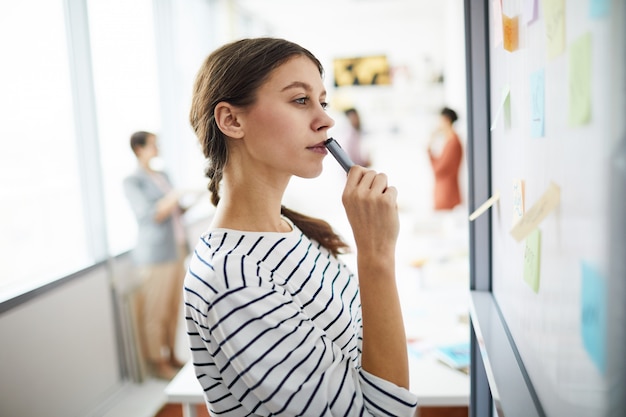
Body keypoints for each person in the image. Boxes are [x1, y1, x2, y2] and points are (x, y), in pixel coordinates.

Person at [184, 38, 418, 416]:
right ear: (231, 120)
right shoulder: (233, 280)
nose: (326, 119)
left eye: (322, 102)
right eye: (299, 100)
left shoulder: (287, 229)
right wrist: (376, 255)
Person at [123, 131, 188, 380]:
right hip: (155, 256)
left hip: (177, 249)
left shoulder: (163, 175)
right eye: (153, 144)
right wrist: (176, 196)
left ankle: (172, 355)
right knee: (155, 311)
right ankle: (158, 362)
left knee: (173, 308)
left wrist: (186, 200)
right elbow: (151, 214)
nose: (157, 147)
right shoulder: (132, 181)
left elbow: (175, 211)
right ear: (139, 149)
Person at [427, 107, 463, 210]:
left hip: (447, 195)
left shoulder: (453, 143)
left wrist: (429, 149)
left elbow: (438, 170)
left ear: (446, 120)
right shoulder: (449, 141)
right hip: (443, 193)